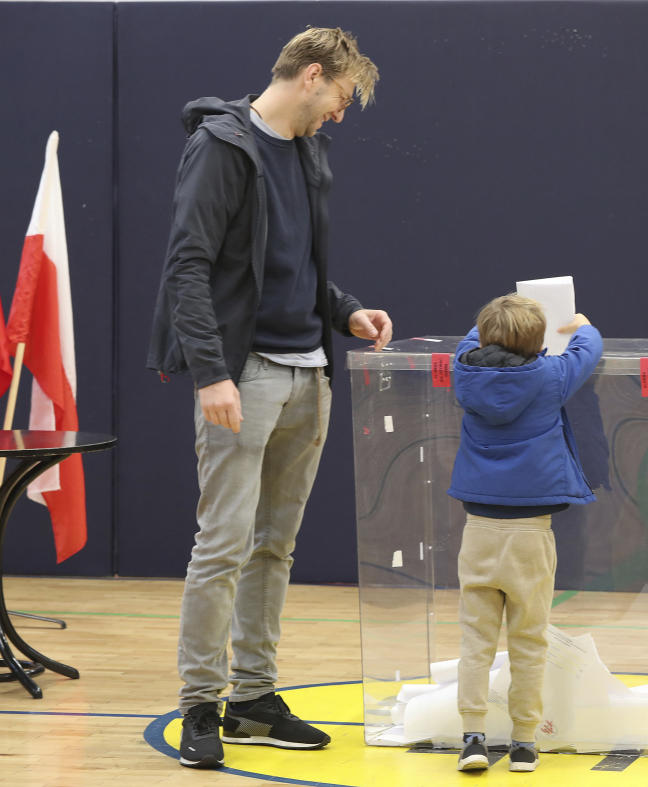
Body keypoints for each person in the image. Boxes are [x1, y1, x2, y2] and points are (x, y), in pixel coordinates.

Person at [146, 27, 392, 770]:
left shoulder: (308, 150)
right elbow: (188, 265)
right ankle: (202, 702)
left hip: (307, 372)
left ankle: (253, 697)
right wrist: (209, 371)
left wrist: (344, 308)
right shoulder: (223, 146)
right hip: (242, 375)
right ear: (312, 76)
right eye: (342, 99)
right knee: (222, 543)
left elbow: (293, 261)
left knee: (274, 548)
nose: (341, 116)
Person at [446, 294, 602, 773]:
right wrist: (580, 323)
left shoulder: (463, 370)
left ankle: (472, 737)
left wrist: (492, 322)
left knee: (476, 639)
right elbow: (587, 348)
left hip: (478, 529)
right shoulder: (550, 376)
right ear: (538, 344)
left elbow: (470, 340)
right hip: (531, 533)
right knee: (529, 639)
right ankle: (524, 742)